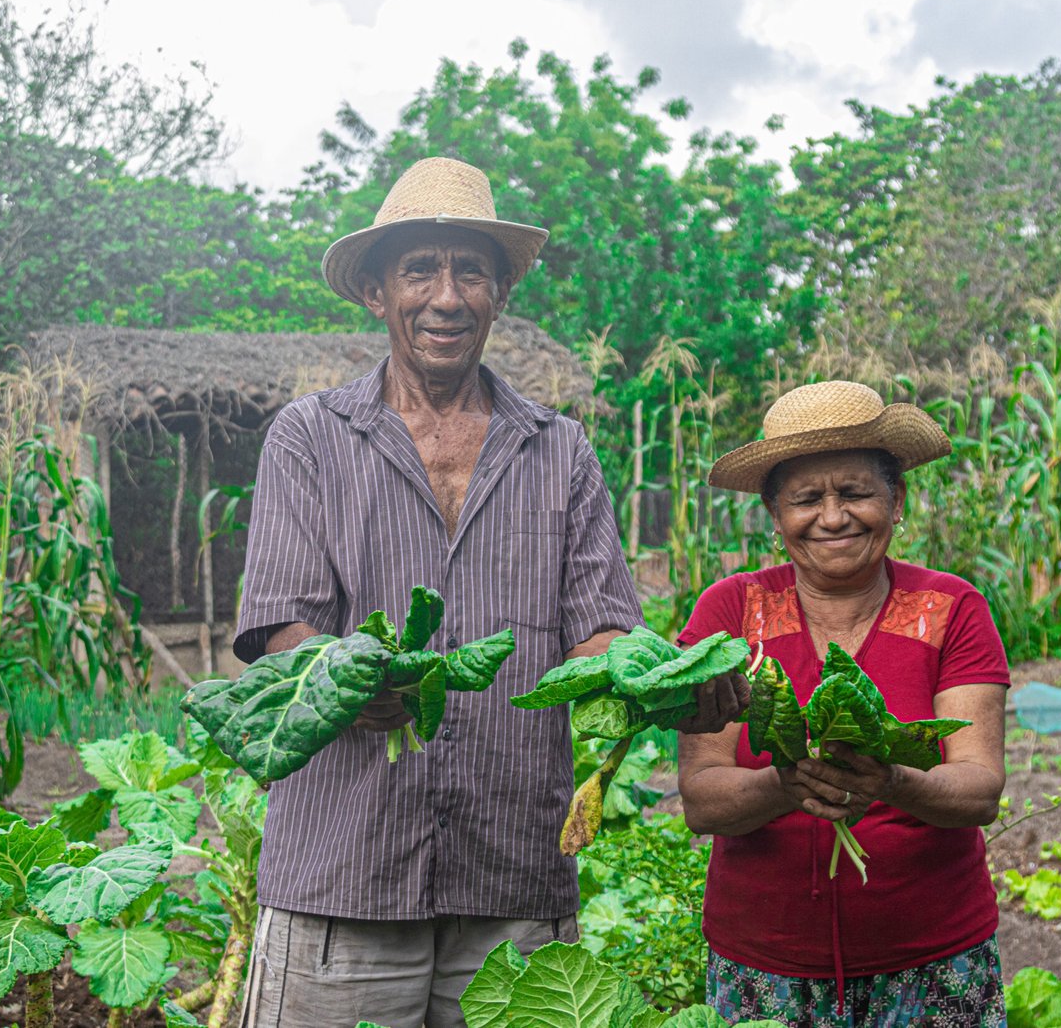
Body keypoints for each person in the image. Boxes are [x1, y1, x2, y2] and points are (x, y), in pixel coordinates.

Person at [231, 157, 744, 1028]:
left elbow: (598, 631)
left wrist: (663, 680)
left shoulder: (559, 449)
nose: (446, 295)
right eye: (419, 269)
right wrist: (352, 685)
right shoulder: (310, 439)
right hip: (342, 871)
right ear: (375, 290)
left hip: (511, 874)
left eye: (470, 269)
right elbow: (284, 625)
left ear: (499, 291)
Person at [676, 380, 1011, 1028]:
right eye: (806, 498)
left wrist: (889, 778)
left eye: (855, 492)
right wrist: (789, 781)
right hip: (765, 961)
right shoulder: (729, 611)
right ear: (775, 514)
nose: (833, 517)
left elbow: (979, 786)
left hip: (933, 956)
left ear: (897, 498)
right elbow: (702, 797)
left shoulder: (952, 608)